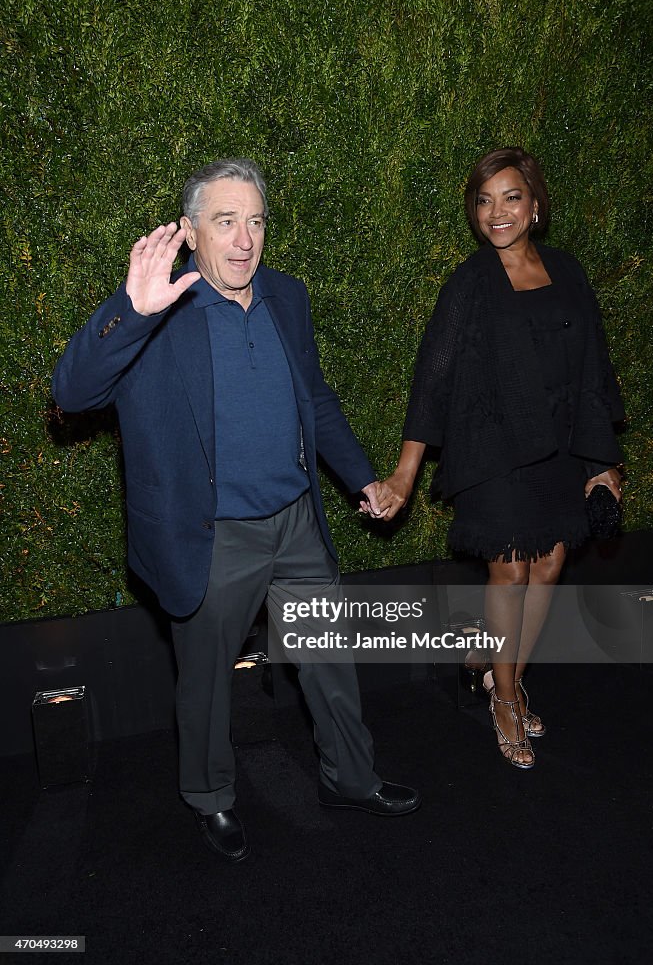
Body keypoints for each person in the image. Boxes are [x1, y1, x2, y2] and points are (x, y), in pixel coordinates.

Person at [52, 158, 420, 860]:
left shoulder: (287, 294)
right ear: (191, 232)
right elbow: (72, 394)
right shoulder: (157, 309)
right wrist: (130, 311)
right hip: (210, 536)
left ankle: (350, 777)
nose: (244, 239)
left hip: (296, 523)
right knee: (207, 687)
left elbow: (314, 397)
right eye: (226, 222)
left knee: (330, 663)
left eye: (255, 221)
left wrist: (361, 479)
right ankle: (211, 799)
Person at [377, 147, 624, 770]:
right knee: (510, 570)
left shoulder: (568, 272)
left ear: (535, 204)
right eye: (485, 201)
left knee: (550, 566)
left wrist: (602, 462)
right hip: (493, 451)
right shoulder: (471, 283)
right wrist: (406, 473)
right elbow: (432, 379)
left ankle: (501, 672)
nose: (498, 212)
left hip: (559, 452)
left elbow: (594, 368)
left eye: (511, 197)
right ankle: (506, 697)